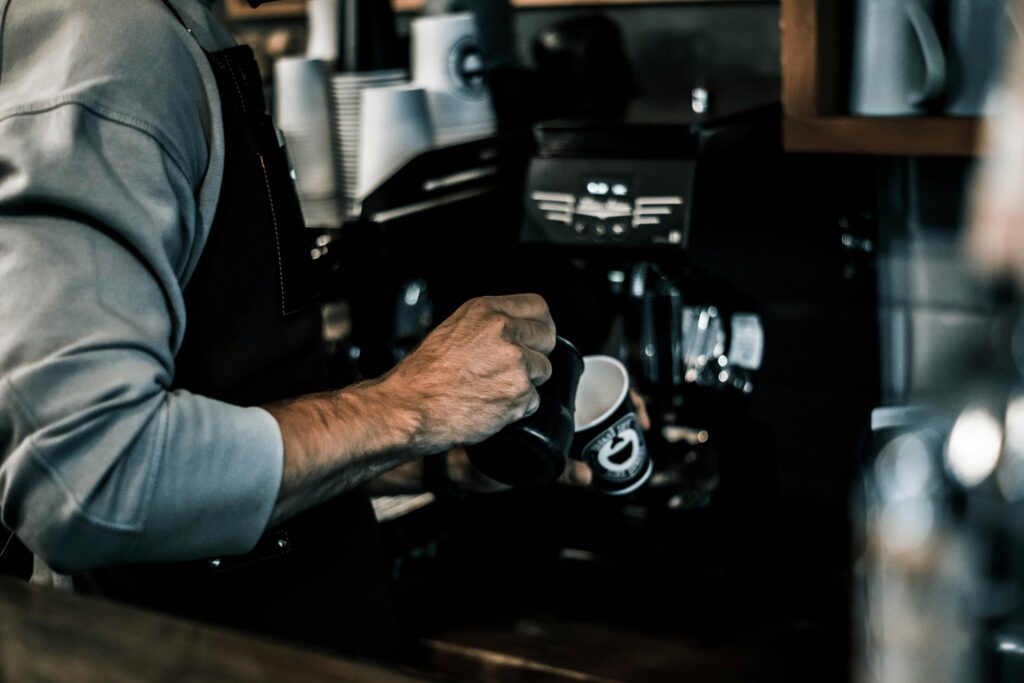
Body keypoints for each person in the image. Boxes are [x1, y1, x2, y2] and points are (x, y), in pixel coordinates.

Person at [0, 0, 612, 659]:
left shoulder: (172, 29)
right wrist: (412, 404)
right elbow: (90, 475)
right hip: (185, 655)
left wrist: (418, 458)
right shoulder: (111, 38)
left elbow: (219, 406)